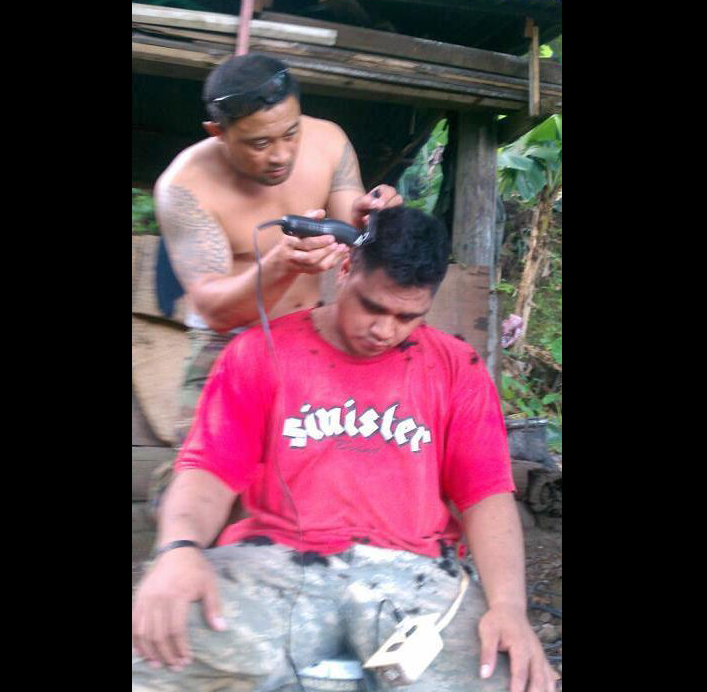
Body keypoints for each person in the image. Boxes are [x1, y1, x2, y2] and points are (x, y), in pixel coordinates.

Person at [132, 207, 557, 692]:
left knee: (516, 679)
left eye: (407, 317)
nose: (385, 330)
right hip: (272, 564)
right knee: (150, 656)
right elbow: (209, 471)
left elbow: (487, 496)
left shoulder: (458, 367)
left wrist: (508, 607)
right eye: (372, 307)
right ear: (346, 269)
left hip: (417, 576)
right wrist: (179, 549)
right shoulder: (258, 352)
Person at [146, 53, 402, 506]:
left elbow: (353, 233)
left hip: (312, 339)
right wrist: (280, 267)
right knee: (197, 491)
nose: (281, 155)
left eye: (290, 133)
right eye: (259, 143)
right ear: (218, 133)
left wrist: (371, 217)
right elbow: (213, 308)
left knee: (321, 488)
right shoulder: (183, 188)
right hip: (226, 344)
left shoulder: (330, 142)